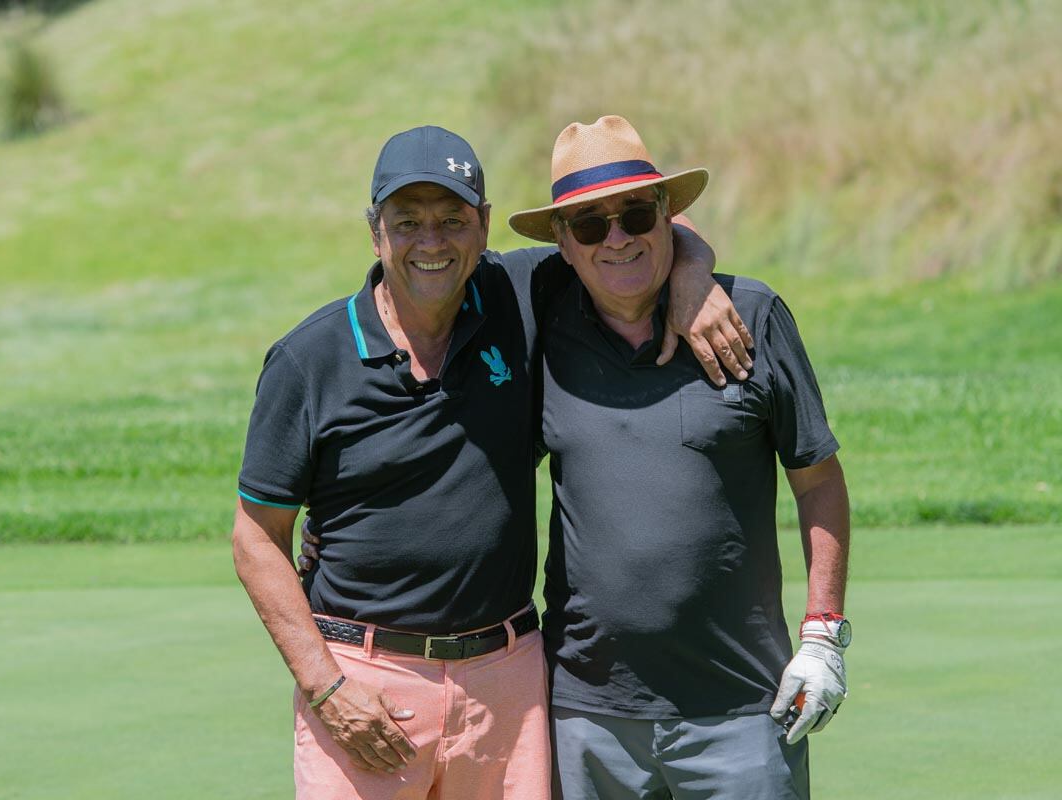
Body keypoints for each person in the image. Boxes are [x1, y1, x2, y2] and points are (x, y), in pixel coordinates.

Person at [232, 124, 751, 799]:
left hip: (508, 685)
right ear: (374, 230)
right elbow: (255, 537)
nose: (431, 242)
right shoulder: (309, 359)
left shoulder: (519, 294)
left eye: (452, 220)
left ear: (481, 227)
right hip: (366, 685)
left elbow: (630, 228)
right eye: (407, 222)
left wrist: (691, 271)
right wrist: (327, 688)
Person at [503, 115, 851, 799]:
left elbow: (818, 479)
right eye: (590, 225)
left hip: (742, 710)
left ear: (668, 213)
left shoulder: (752, 315)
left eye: (636, 212)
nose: (618, 237)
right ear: (562, 246)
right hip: (588, 715)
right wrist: (690, 258)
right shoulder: (541, 317)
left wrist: (824, 635)